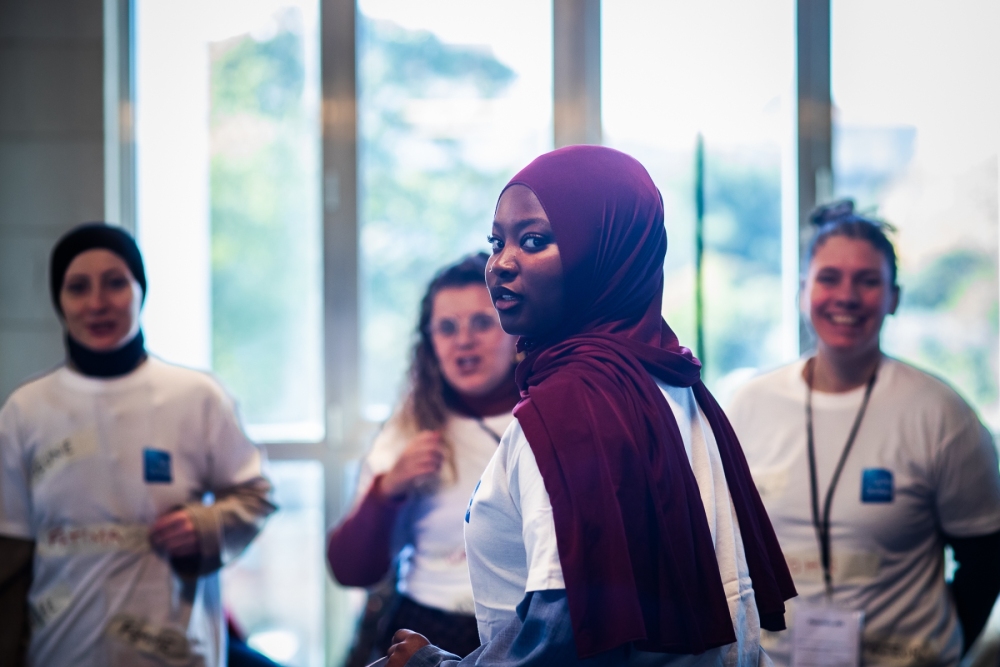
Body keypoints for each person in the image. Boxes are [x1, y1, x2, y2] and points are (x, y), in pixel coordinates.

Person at [385, 145, 796, 667]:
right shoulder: (669, 378)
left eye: (534, 241)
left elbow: (565, 631)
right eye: (497, 242)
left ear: (604, 253)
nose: (502, 264)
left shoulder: (576, 404)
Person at [726, 200, 1000, 666]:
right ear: (802, 290)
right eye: (829, 278)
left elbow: (986, 557)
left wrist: (935, 653)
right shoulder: (747, 405)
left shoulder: (941, 415)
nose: (847, 296)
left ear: (894, 297)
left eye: (868, 281)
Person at [0, 223, 276, 667]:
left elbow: (257, 496)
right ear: (59, 301)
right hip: (60, 650)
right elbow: (10, 559)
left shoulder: (196, 396)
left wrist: (206, 526)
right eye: (78, 287)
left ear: (140, 291)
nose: (97, 303)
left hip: (176, 650)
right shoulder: (25, 410)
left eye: (115, 283)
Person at [327, 253, 520, 660]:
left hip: (525, 630)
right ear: (429, 342)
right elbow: (349, 570)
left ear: (516, 328)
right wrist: (387, 491)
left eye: (482, 322)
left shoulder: (552, 413)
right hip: (426, 626)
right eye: (447, 328)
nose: (463, 340)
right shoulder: (411, 425)